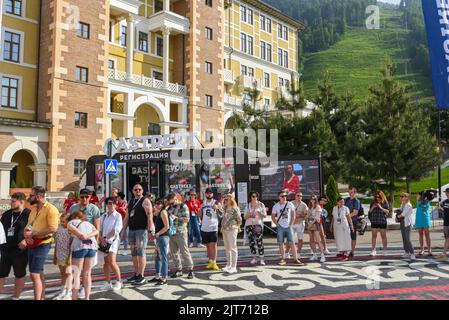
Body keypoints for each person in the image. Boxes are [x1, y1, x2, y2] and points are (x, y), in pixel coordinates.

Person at [24, 186, 59, 300]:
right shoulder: (34, 209)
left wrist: (34, 233)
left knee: (34, 274)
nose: (30, 197)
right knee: (39, 273)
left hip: (43, 243)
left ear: (38, 197)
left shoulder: (51, 209)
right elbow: (29, 225)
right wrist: (26, 235)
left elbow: (53, 228)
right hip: (32, 243)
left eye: (32, 195)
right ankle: (42, 297)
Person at [69, 188, 101, 298]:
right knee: (79, 272)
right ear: (79, 197)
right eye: (82, 196)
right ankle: (80, 294)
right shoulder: (73, 208)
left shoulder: (94, 209)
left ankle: (84, 296)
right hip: (79, 242)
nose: (84, 199)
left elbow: (97, 227)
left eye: (87, 197)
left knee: (84, 273)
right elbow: (68, 224)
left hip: (88, 243)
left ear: (90, 197)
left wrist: (96, 243)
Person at [121, 183, 154, 285]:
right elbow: (127, 216)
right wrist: (123, 231)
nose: (138, 191)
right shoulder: (131, 201)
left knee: (140, 252)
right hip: (132, 230)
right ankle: (136, 273)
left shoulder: (145, 201)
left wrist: (149, 231)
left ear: (142, 190)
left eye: (139, 189)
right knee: (134, 253)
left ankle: (141, 276)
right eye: (136, 190)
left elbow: (150, 216)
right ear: (132, 191)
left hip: (141, 230)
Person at [0, 192, 30, 300]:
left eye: (13, 201)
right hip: (5, 249)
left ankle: (16, 296)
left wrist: (26, 240)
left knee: (19, 273)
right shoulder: (7, 214)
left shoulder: (28, 214)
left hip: (20, 250)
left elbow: (33, 229)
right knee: (1, 273)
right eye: (10, 201)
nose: (11, 203)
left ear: (21, 202)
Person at [271, 190, 304, 266]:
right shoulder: (276, 206)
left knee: (292, 243)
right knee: (281, 243)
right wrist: (276, 223)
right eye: (282, 196)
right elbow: (273, 216)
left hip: (289, 226)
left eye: (285, 196)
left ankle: (295, 259)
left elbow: (293, 214)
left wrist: (291, 223)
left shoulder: (290, 204)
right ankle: (283, 258)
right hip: (280, 227)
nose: (284, 197)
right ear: (279, 197)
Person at [167, 193, 195, 279]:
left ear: (176, 199)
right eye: (169, 201)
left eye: (172, 200)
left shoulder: (183, 206)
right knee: (174, 252)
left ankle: (190, 270)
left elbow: (187, 219)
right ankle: (179, 269)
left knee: (184, 251)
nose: (171, 202)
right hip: (172, 232)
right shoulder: (170, 207)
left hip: (181, 232)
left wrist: (176, 217)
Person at [99, 197, 123, 292]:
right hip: (104, 242)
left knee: (112, 261)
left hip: (113, 242)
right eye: (109, 203)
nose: (111, 205)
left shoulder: (118, 216)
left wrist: (105, 238)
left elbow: (116, 230)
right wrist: (101, 238)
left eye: (113, 203)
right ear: (106, 205)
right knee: (106, 262)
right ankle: (108, 282)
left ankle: (118, 281)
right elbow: (99, 229)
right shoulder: (103, 216)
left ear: (115, 205)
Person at [198, 188, 223, 271]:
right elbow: (199, 214)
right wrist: (200, 210)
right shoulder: (203, 202)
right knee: (208, 245)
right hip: (204, 226)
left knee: (213, 245)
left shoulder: (216, 202)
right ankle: (210, 261)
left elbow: (222, 213)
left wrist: (218, 208)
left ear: (212, 194)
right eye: (208, 193)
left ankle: (214, 262)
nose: (209, 194)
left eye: (211, 193)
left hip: (213, 226)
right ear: (205, 194)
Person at [148, 198, 170, 286]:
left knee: (163, 257)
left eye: (159, 203)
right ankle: (157, 276)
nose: (157, 205)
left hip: (163, 237)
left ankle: (164, 277)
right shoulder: (158, 212)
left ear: (163, 204)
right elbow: (151, 217)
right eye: (155, 203)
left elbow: (167, 226)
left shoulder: (163, 212)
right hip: (160, 237)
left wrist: (157, 234)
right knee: (157, 257)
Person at [243, 191, 267, 265]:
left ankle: (262, 258)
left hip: (258, 225)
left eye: (255, 196)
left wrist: (259, 213)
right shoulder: (248, 205)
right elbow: (244, 217)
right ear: (250, 197)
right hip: (249, 225)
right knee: (252, 242)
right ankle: (254, 258)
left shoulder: (261, 204)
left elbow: (265, 215)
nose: (254, 198)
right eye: (253, 196)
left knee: (259, 241)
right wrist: (250, 213)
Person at [53, 213, 73, 300]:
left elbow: (71, 245)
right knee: (63, 274)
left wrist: (70, 257)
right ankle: (63, 290)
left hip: (67, 255)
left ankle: (69, 291)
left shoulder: (70, 231)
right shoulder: (58, 230)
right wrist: (55, 255)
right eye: (61, 221)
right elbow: (56, 243)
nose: (62, 223)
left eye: (64, 221)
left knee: (68, 273)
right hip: (59, 254)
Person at [221, 194, 242, 273]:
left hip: (232, 229)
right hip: (225, 229)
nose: (226, 200)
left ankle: (234, 266)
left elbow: (239, 220)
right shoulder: (225, 208)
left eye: (227, 199)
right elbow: (221, 216)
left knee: (233, 247)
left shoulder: (235, 209)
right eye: (225, 199)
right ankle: (228, 265)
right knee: (227, 248)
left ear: (232, 199)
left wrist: (236, 226)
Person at [368, 191, 390, 256]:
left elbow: (387, 212)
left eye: (379, 197)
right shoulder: (373, 202)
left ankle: (385, 251)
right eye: (376, 197)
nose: (377, 198)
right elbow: (369, 211)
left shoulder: (385, 202)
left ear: (381, 196)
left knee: (383, 236)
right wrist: (373, 207)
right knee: (374, 236)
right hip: (374, 221)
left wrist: (381, 207)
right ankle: (373, 250)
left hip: (382, 221)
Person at [396, 193, 416, 260]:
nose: (400, 197)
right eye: (400, 196)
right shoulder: (402, 204)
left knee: (408, 239)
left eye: (402, 196)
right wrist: (396, 211)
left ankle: (412, 253)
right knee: (404, 238)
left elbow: (403, 214)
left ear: (406, 198)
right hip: (402, 223)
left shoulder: (408, 205)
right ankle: (407, 252)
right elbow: (400, 210)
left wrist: (397, 216)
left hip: (408, 223)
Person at [307, 195, 326, 263]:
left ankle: (322, 255)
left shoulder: (318, 207)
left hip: (315, 224)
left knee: (318, 240)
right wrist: (308, 223)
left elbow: (317, 218)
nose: (312, 200)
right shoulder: (309, 207)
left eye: (314, 199)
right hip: (309, 224)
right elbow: (307, 216)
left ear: (316, 200)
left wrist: (310, 224)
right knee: (312, 240)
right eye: (311, 199)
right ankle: (315, 254)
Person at [344, 188, 361, 257]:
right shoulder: (345, 200)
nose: (350, 193)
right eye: (349, 192)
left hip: (353, 221)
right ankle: (345, 251)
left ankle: (352, 251)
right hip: (345, 221)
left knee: (353, 236)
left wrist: (346, 217)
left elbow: (355, 212)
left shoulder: (356, 201)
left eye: (352, 192)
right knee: (345, 236)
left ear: (355, 193)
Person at [290, 192, 308, 259]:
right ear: (295, 196)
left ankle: (299, 253)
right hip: (292, 223)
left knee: (300, 239)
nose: (299, 197)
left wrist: (300, 215)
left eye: (301, 196)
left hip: (300, 223)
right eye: (298, 195)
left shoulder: (304, 205)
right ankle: (288, 252)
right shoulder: (291, 203)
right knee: (290, 239)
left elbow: (306, 215)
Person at [415, 192, 432, 256]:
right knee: (420, 234)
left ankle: (429, 250)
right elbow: (418, 197)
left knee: (427, 234)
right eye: (421, 195)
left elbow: (425, 207)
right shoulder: (418, 201)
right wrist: (421, 193)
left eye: (422, 195)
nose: (420, 196)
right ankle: (422, 250)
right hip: (419, 218)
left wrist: (427, 195)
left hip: (425, 219)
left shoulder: (427, 201)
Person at [437, 188, 449, 261]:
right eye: (446, 192)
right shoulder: (445, 202)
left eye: (448, 192)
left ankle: (444, 253)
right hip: (446, 223)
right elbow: (443, 210)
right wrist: (440, 209)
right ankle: (444, 253)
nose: (447, 193)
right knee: (447, 238)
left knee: (448, 238)